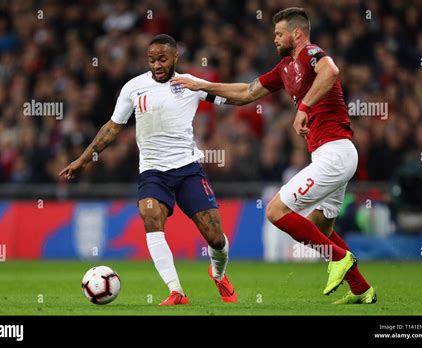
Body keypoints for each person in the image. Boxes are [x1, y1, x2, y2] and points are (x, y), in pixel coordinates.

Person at [171, 8, 376, 304]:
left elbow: (331, 71)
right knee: (320, 228)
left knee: (275, 211)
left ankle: (340, 259)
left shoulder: (309, 52)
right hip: (328, 155)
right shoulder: (284, 68)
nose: (275, 39)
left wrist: (303, 108)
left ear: (297, 33)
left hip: (336, 152)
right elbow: (246, 92)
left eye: (279, 34)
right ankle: (361, 288)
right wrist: (202, 87)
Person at [60, 34, 237, 306]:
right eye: (152, 59)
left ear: (175, 57)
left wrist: (261, 88)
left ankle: (218, 273)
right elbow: (112, 128)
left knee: (215, 238)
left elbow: (236, 97)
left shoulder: (190, 84)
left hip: (188, 169)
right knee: (150, 217)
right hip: (153, 172)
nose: (157, 65)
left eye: (163, 59)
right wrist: (83, 159)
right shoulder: (133, 88)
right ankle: (176, 291)